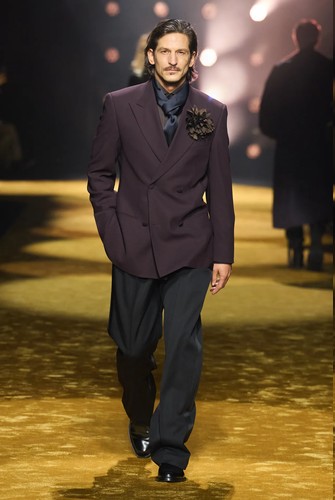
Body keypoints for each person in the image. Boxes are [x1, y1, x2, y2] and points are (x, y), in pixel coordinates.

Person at [87, 18, 235, 483]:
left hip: (190, 244)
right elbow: (99, 175)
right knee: (133, 348)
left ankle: (171, 449)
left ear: (192, 59)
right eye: (165, 51)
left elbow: (220, 187)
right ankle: (139, 417)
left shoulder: (212, 111)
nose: (172, 60)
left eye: (181, 52)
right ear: (151, 56)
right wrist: (112, 232)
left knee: (184, 345)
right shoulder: (119, 104)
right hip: (133, 242)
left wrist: (223, 252)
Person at [259, 18, 333, 271]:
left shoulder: (282, 69)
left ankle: (296, 243)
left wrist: (274, 131)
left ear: (296, 38)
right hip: (317, 140)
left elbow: (268, 107)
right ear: (317, 38)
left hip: (290, 141)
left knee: (290, 193)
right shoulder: (327, 68)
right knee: (316, 191)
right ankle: (316, 242)